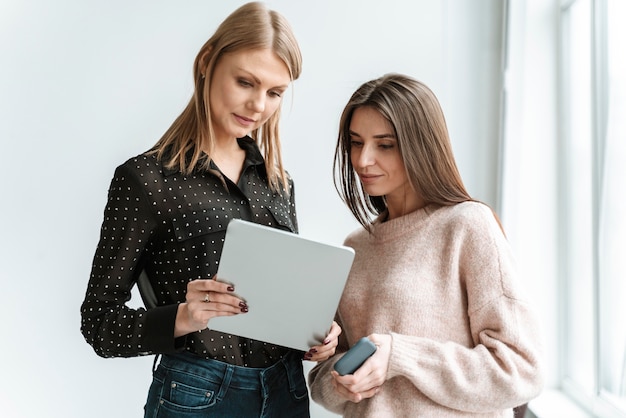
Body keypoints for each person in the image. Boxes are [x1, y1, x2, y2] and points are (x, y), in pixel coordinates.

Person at [80, 3, 340, 417]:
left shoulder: (278, 182)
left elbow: (278, 302)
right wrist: (183, 318)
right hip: (197, 394)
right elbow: (99, 323)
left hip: (287, 390)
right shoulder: (146, 180)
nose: (258, 105)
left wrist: (316, 334)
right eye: (245, 82)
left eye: (275, 93)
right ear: (206, 62)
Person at [308, 73, 544, 417]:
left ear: (420, 145)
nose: (362, 160)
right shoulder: (356, 247)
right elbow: (323, 383)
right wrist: (338, 380)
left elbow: (522, 370)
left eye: (384, 144)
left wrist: (400, 356)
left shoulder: (468, 226)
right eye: (356, 142)